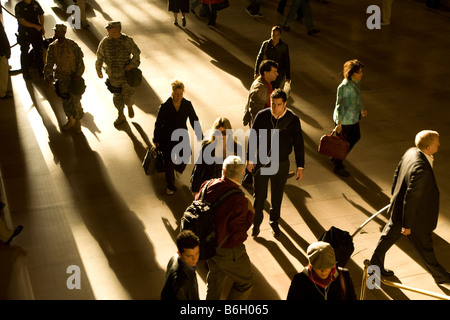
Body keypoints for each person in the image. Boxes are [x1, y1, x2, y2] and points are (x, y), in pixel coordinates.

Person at [370, 130, 450, 284]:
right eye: (436, 142)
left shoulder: (411, 152)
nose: (439, 144)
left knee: (388, 237)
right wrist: (407, 225)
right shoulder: (422, 170)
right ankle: (440, 276)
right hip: (413, 215)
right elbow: (412, 198)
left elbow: (397, 173)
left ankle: (374, 266)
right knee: (424, 245)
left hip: (401, 210)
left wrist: (394, 198)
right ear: (428, 148)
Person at [247, 88, 305, 237]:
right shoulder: (262, 116)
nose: (275, 107)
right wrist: (250, 158)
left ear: (285, 103)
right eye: (273, 104)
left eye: (278, 104)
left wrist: (300, 166)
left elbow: (298, 143)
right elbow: (253, 137)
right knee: (259, 196)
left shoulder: (292, 119)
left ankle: (274, 222)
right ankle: (256, 223)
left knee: (277, 196)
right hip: (261, 162)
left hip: (281, 163)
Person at [198, 155, 254, 300]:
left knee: (216, 277)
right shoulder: (239, 200)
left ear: (223, 171)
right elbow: (238, 234)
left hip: (208, 243)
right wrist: (250, 214)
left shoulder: (208, 185)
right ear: (242, 173)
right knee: (245, 282)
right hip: (227, 249)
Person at [153, 80, 203, 195]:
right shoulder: (165, 106)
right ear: (172, 93)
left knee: (186, 155)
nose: (178, 96)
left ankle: (179, 169)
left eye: (180, 94)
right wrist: (156, 139)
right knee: (169, 162)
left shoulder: (187, 104)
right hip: (167, 137)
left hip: (182, 135)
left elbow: (193, 119)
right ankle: (170, 186)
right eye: (176, 94)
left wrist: (199, 133)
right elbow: (159, 123)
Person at [95, 21, 141, 127]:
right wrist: (98, 69)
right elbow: (99, 56)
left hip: (126, 75)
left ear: (116, 31)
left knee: (128, 95)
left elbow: (136, 54)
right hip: (113, 76)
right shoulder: (105, 42)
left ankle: (129, 105)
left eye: (109, 30)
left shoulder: (127, 41)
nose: (107, 31)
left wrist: (131, 65)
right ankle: (121, 115)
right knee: (117, 96)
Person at [243, 59, 279, 187]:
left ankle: (248, 178)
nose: (277, 74)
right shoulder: (260, 88)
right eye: (274, 71)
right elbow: (256, 111)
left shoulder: (264, 83)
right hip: (261, 127)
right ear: (266, 72)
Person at [44, 23, 85, 134]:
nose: (56, 34)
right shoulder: (53, 47)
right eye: (56, 31)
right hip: (62, 79)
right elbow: (50, 62)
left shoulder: (73, 45)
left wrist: (78, 75)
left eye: (59, 32)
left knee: (75, 101)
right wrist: (47, 75)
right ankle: (70, 120)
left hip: (73, 78)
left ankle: (77, 121)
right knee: (65, 101)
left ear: (64, 32)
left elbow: (80, 62)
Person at [331, 59, 367, 177]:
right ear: (352, 73)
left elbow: (357, 99)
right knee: (343, 143)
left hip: (353, 118)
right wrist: (338, 123)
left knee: (355, 137)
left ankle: (337, 157)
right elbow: (339, 105)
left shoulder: (356, 82)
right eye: (359, 72)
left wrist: (361, 108)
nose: (361, 74)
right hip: (345, 120)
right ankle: (338, 165)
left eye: (361, 71)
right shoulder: (344, 87)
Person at [190, 117, 242, 197]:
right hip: (209, 188)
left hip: (227, 190)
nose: (221, 136)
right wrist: (195, 189)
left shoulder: (237, 149)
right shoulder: (207, 147)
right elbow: (198, 169)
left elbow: (239, 172)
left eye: (224, 133)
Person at [287, 241, 357, 300]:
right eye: (319, 267)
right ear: (311, 264)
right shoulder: (300, 280)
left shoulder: (343, 275)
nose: (323, 271)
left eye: (327, 266)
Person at [161, 230, 200, 300]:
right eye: (189, 256)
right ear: (179, 253)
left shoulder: (174, 258)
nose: (195, 259)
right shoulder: (180, 284)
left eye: (197, 253)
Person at [14, 0, 45, 80]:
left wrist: (42, 26)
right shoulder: (19, 6)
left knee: (39, 51)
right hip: (25, 32)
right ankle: (25, 73)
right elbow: (22, 21)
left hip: (36, 32)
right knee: (24, 52)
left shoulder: (35, 4)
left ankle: (42, 71)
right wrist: (35, 26)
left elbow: (41, 14)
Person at [0, 7, 12, 100]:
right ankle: (2, 93)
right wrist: (6, 51)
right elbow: (2, 37)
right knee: (2, 72)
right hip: (1, 52)